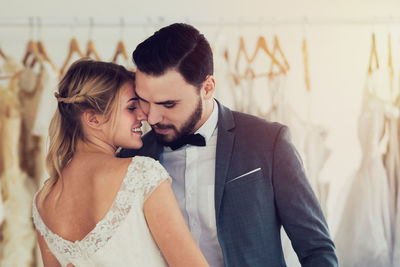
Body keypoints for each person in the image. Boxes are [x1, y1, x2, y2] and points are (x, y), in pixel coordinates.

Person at [119, 23, 338, 267]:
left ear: (207, 88)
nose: (151, 118)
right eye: (144, 101)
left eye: (168, 104)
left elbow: (317, 249)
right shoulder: (130, 157)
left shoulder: (268, 142)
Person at [32, 59, 209, 267]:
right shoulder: (142, 174)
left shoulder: (43, 202)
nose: (144, 116)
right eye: (131, 107)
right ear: (93, 119)